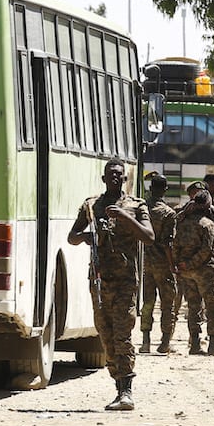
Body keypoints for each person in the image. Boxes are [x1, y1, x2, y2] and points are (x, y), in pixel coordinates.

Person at [67, 159, 155, 411]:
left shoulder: (136, 205)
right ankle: (117, 385)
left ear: (125, 179)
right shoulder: (92, 206)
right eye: (110, 175)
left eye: (119, 175)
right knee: (106, 335)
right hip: (99, 281)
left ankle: (126, 391)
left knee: (122, 334)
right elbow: (72, 237)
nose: (115, 178)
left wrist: (125, 217)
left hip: (126, 281)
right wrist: (86, 237)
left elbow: (149, 237)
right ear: (104, 178)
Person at [173, 190, 214, 355]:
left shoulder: (182, 223)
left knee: (193, 307)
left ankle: (195, 344)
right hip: (206, 271)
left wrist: (182, 265)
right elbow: (206, 250)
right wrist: (191, 264)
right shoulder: (207, 225)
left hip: (187, 273)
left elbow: (175, 246)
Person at [141, 173, 178, 354]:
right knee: (167, 304)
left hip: (145, 264)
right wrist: (173, 265)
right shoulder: (168, 213)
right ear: (165, 190)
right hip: (163, 264)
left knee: (147, 302)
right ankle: (164, 342)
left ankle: (145, 341)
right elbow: (168, 243)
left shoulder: (141, 210)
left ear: (150, 188)